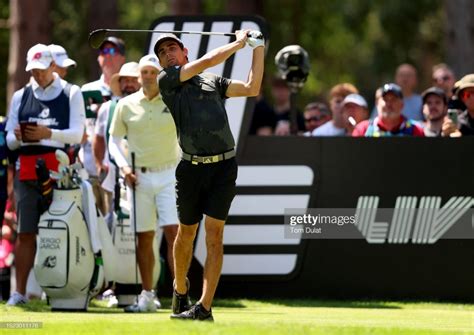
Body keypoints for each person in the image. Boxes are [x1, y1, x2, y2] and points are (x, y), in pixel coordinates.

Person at [155, 30, 264, 321]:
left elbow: (252, 88)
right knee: (186, 233)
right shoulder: (167, 81)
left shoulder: (212, 82)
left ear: (184, 50)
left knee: (214, 236)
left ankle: (204, 307)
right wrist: (240, 42)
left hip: (223, 168)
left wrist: (258, 47)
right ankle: (180, 289)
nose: (168, 54)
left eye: (172, 48)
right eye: (162, 52)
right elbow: (206, 60)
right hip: (190, 169)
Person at [5, 44, 85, 305]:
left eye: (41, 70)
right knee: (26, 231)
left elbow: (77, 134)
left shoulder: (71, 92)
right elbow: (8, 140)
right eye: (33, 70)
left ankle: (59, 289)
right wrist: (18, 137)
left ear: (53, 66)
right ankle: (19, 293)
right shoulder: (20, 95)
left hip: (59, 170)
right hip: (26, 169)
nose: (37, 75)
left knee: (58, 229)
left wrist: (48, 134)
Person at [108, 54, 180, 313]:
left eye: (153, 72)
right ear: (138, 76)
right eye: (145, 72)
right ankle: (147, 295)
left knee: (174, 235)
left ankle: (179, 294)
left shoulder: (173, 100)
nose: (148, 76)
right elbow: (113, 141)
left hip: (170, 174)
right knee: (144, 237)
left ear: (159, 75)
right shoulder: (125, 105)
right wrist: (124, 166)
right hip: (138, 177)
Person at [93, 61, 140, 230]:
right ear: (119, 83)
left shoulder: (149, 108)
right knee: (110, 226)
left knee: (140, 227)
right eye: (125, 80)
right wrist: (99, 165)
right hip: (112, 176)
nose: (129, 84)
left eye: (133, 80)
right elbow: (98, 139)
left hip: (141, 175)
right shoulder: (108, 108)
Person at [82, 37, 126, 217]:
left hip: (122, 172)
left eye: (112, 51)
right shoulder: (86, 90)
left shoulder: (131, 90)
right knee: (91, 226)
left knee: (119, 229)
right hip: (90, 170)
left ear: (122, 58)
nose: (107, 56)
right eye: (103, 52)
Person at [352, 83, 424, 137]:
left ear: (402, 105)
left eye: (393, 100)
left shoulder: (415, 130)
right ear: (377, 103)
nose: (389, 104)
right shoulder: (363, 129)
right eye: (385, 100)